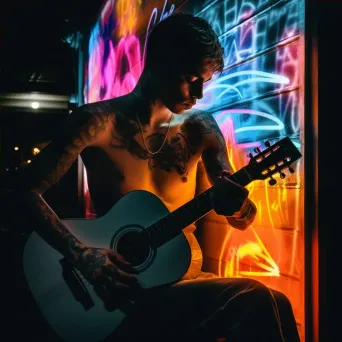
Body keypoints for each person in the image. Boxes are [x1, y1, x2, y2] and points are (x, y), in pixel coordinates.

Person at [2, 13, 300, 342]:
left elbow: (241, 218)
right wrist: (84, 257)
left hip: (186, 278)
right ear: (160, 63)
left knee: (279, 302)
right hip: (121, 287)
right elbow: (24, 190)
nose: (199, 94)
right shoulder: (96, 122)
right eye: (191, 78)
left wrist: (237, 208)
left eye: (205, 82)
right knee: (253, 297)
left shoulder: (201, 129)